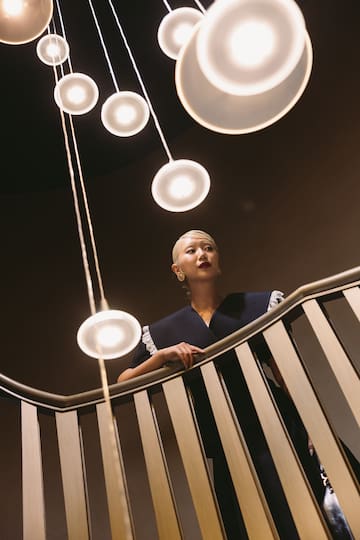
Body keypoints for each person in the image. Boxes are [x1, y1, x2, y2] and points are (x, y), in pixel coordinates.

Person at [117, 230, 351, 539]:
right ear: (178, 271)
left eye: (209, 248)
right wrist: (162, 356)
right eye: (192, 251)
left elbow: (283, 371)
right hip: (223, 435)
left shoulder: (255, 305)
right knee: (258, 520)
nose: (202, 254)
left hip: (276, 419)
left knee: (311, 507)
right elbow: (124, 382)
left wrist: (312, 424)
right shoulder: (163, 332)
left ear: (217, 260)